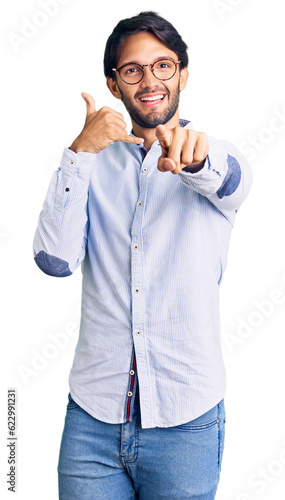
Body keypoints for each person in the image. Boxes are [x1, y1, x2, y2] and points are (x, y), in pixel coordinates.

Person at [33, 11, 252, 500]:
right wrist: (79, 153)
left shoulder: (214, 155)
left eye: (163, 65)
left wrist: (196, 159)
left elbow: (232, 182)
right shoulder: (88, 162)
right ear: (114, 84)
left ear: (184, 75)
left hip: (185, 423)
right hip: (92, 420)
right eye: (132, 69)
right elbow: (54, 260)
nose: (150, 80)